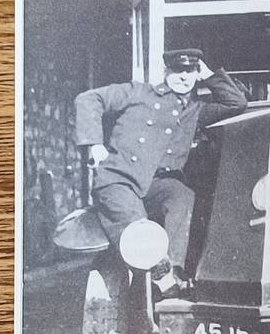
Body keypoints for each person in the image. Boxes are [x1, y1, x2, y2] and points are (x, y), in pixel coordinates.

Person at [75, 48, 247, 292]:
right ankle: (162, 279)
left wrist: (210, 75)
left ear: (197, 74)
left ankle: (172, 270)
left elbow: (237, 102)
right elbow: (88, 98)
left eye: (190, 71)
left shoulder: (195, 110)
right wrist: (94, 145)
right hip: (119, 180)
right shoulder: (138, 92)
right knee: (136, 225)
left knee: (182, 195)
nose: (184, 77)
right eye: (178, 71)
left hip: (158, 184)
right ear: (166, 72)